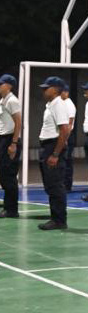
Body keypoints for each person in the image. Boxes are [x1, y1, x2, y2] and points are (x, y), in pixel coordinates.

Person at [36, 77, 71, 231]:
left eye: (47, 88)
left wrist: (56, 154)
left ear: (56, 89)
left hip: (53, 146)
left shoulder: (59, 105)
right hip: (48, 146)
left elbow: (64, 129)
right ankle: (55, 217)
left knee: (55, 184)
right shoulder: (51, 105)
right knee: (50, 184)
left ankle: (59, 220)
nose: (44, 90)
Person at [0, 74, 23, 218]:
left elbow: (18, 122)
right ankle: (8, 207)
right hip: (3, 139)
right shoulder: (3, 100)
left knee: (8, 175)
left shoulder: (12, 101)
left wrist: (13, 143)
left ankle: (12, 210)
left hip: (9, 139)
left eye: (1, 84)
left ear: (8, 85)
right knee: (3, 174)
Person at [60, 85, 76, 192]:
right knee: (63, 160)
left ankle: (67, 185)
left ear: (66, 93)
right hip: (64, 135)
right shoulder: (62, 103)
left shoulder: (69, 105)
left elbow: (70, 123)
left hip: (68, 135)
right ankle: (63, 183)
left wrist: (65, 138)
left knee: (67, 161)